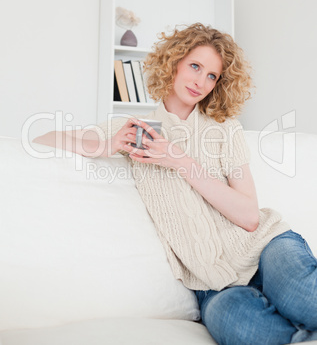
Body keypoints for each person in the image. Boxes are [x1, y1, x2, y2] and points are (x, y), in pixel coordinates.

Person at [33, 23, 317, 344]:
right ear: (173, 63)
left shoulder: (225, 129)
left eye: (212, 75)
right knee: (243, 329)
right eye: (195, 66)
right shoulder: (133, 130)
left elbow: (250, 217)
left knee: (307, 300)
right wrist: (109, 144)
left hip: (266, 247)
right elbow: (42, 137)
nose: (201, 81)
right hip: (212, 284)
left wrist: (180, 161)